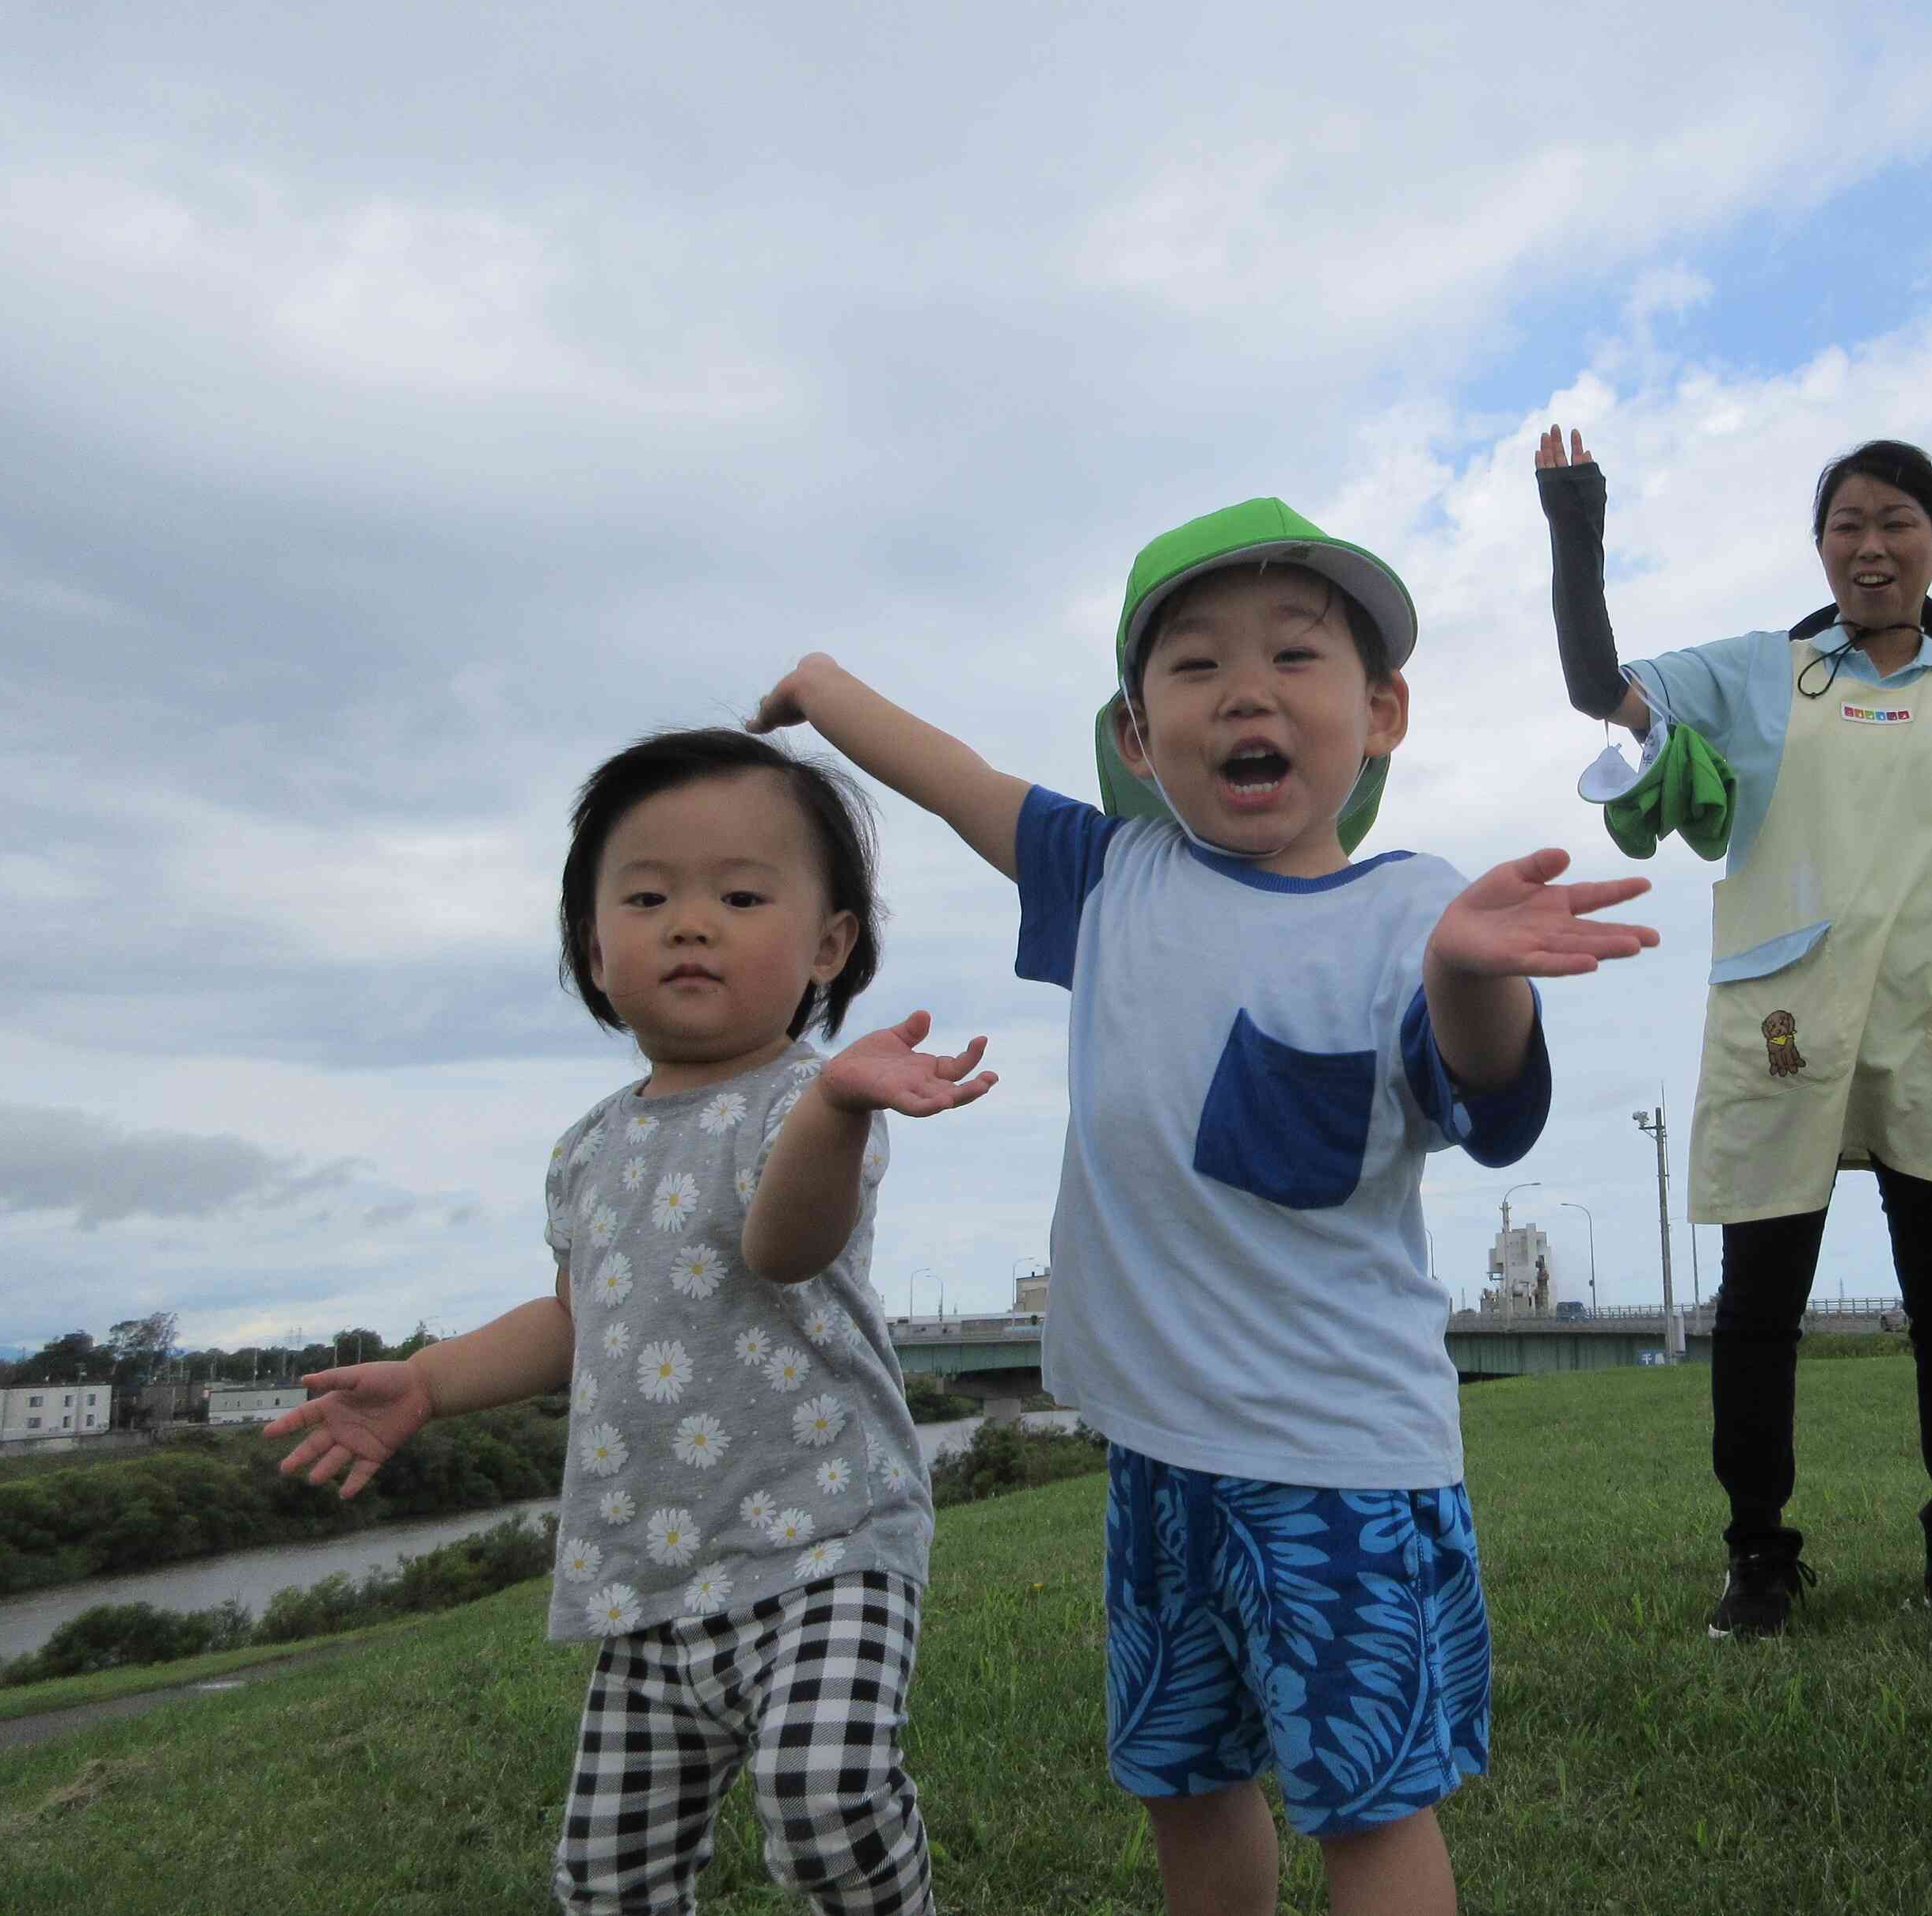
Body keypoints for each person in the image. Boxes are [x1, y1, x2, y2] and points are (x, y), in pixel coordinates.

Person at [749, 496, 1656, 1916]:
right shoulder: (1114, 877)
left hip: (1340, 1462)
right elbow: (956, 780)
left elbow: (1486, 1109)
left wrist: (1473, 975)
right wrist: (820, 691)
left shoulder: (1411, 911)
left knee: (1368, 1802)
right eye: (1194, 667)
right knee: (1184, 1777)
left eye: (1295, 657)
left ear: (1382, 710)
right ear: (1133, 736)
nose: (1246, 691)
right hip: (1158, 1456)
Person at [267, 727, 995, 1916]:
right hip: (644, 1571)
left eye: (740, 894)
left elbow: (784, 1244)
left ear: (829, 944)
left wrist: (841, 1107)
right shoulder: (588, 1149)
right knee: (608, 1878)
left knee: (825, 1797)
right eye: (647, 896)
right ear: (594, 950)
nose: (690, 922)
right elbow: (576, 1318)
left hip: (826, 1538)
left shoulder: (807, 1107)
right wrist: (431, 1382)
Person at [1535, 427, 1932, 1632]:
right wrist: (1577, 525)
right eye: (1847, 527)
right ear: (1820, 549)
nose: (1871, 548)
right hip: (1784, 1014)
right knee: (1759, 1302)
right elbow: (1595, 688)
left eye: (1897, 525)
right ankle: (1758, 1554)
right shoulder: (1762, 673)